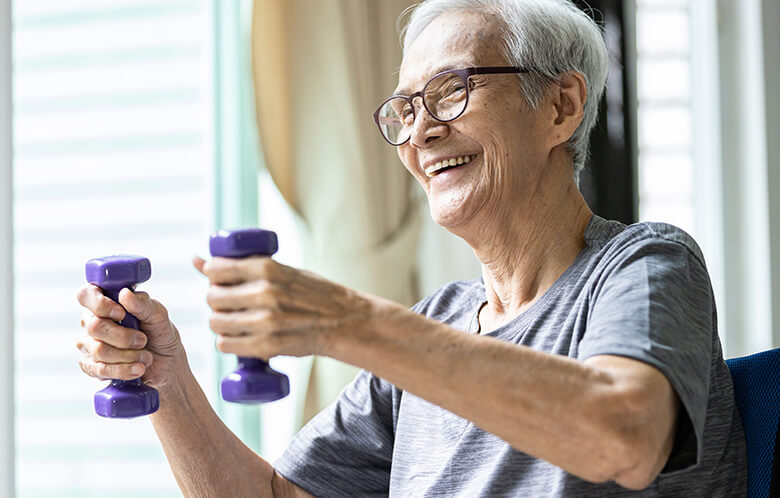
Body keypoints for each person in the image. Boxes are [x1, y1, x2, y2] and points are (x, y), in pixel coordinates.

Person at [76, 0, 747, 495]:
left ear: (561, 106)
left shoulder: (646, 264)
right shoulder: (432, 328)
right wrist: (168, 385)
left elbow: (623, 437)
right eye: (403, 109)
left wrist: (347, 322)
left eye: (452, 90)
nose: (419, 133)